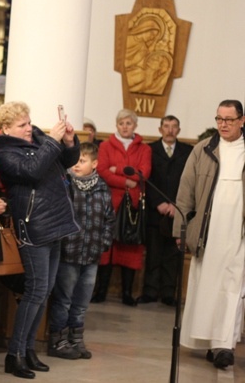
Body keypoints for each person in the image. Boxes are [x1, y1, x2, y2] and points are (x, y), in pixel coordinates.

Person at [0, 101, 80, 379]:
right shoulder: (3, 150)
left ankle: (28, 350)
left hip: (55, 221)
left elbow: (67, 161)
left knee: (46, 290)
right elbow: (32, 171)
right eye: (22, 125)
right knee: (36, 291)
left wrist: (69, 140)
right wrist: (51, 141)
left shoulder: (41, 140)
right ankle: (14, 354)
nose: (29, 128)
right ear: (5, 128)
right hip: (33, 225)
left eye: (29, 122)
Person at [174, 99, 245, 370]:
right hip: (207, 232)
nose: (223, 124)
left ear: (242, 120)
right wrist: (180, 230)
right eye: (219, 119)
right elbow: (186, 190)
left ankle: (224, 345)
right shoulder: (203, 149)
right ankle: (209, 342)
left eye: (228, 119)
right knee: (206, 286)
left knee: (232, 287)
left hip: (238, 233)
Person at [48, 142, 115, 360]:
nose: (77, 164)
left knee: (81, 303)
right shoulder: (66, 184)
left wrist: (103, 243)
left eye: (82, 161)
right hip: (69, 252)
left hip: (92, 255)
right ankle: (58, 340)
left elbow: (109, 219)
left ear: (94, 164)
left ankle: (76, 339)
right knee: (64, 300)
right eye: (75, 160)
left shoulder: (102, 187)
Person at [92, 109, 151, 306]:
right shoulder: (106, 146)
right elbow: (101, 171)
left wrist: (116, 170)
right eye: (121, 123)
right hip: (109, 202)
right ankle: (100, 291)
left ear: (135, 126)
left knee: (130, 248)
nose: (125, 127)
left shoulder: (145, 149)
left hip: (133, 205)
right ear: (116, 125)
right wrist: (127, 182)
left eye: (129, 123)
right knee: (106, 247)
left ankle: (127, 293)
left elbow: (143, 173)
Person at [136, 115, 192, 307]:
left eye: (174, 127)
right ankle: (150, 291)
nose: (170, 130)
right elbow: (146, 179)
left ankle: (169, 293)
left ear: (179, 130)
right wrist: (158, 202)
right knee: (153, 252)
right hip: (155, 210)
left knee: (172, 254)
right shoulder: (149, 149)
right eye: (166, 126)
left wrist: (178, 205)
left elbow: (189, 182)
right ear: (160, 129)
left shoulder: (188, 151)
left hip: (178, 210)